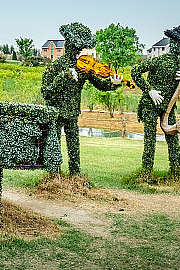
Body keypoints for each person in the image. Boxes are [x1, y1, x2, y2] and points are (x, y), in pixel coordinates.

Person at [41, 22, 122, 175]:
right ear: (68, 45)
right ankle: (54, 176)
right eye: (74, 47)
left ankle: (75, 177)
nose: (76, 51)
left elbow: (100, 84)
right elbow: (46, 91)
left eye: (78, 49)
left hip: (72, 113)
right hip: (56, 113)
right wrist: (65, 76)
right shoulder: (57, 66)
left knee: (74, 147)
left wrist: (113, 84)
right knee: (55, 145)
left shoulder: (83, 66)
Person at [131, 26, 180, 177]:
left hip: (168, 109)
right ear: (173, 43)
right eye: (179, 44)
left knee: (172, 140)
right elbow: (135, 71)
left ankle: (176, 173)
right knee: (150, 141)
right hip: (150, 106)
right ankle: (146, 174)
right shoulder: (158, 61)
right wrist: (149, 90)